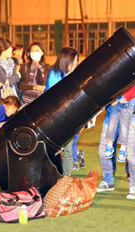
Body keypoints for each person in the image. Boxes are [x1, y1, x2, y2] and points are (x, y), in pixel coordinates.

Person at [46, 47, 80, 175]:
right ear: (67, 60)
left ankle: (66, 180)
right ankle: (51, 178)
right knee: (52, 150)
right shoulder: (55, 74)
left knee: (68, 151)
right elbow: (54, 95)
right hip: (54, 118)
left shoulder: (76, 74)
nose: (77, 63)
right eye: (75, 60)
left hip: (69, 118)